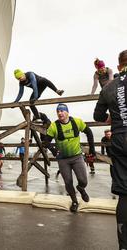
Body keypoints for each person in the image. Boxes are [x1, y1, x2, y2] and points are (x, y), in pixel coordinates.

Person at [94, 49, 127, 249]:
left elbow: (98, 116)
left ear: (117, 67)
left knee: (124, 193)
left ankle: (123, 245)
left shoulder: (108, 87)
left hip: (120, 137)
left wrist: (114, 117)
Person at [44, 103, 96, 213]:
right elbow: (46, 141)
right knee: (68, 182)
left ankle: (81, 188)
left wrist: (92, 149)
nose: (59, 113)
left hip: (77, 157)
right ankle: (74, 201)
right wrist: (54, 150)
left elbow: (89, 132)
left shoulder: (77, 122)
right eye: (58, 111)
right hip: (63, 159)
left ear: (67, 112)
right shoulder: (54, 126)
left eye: (62, 110)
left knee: (83, 180)